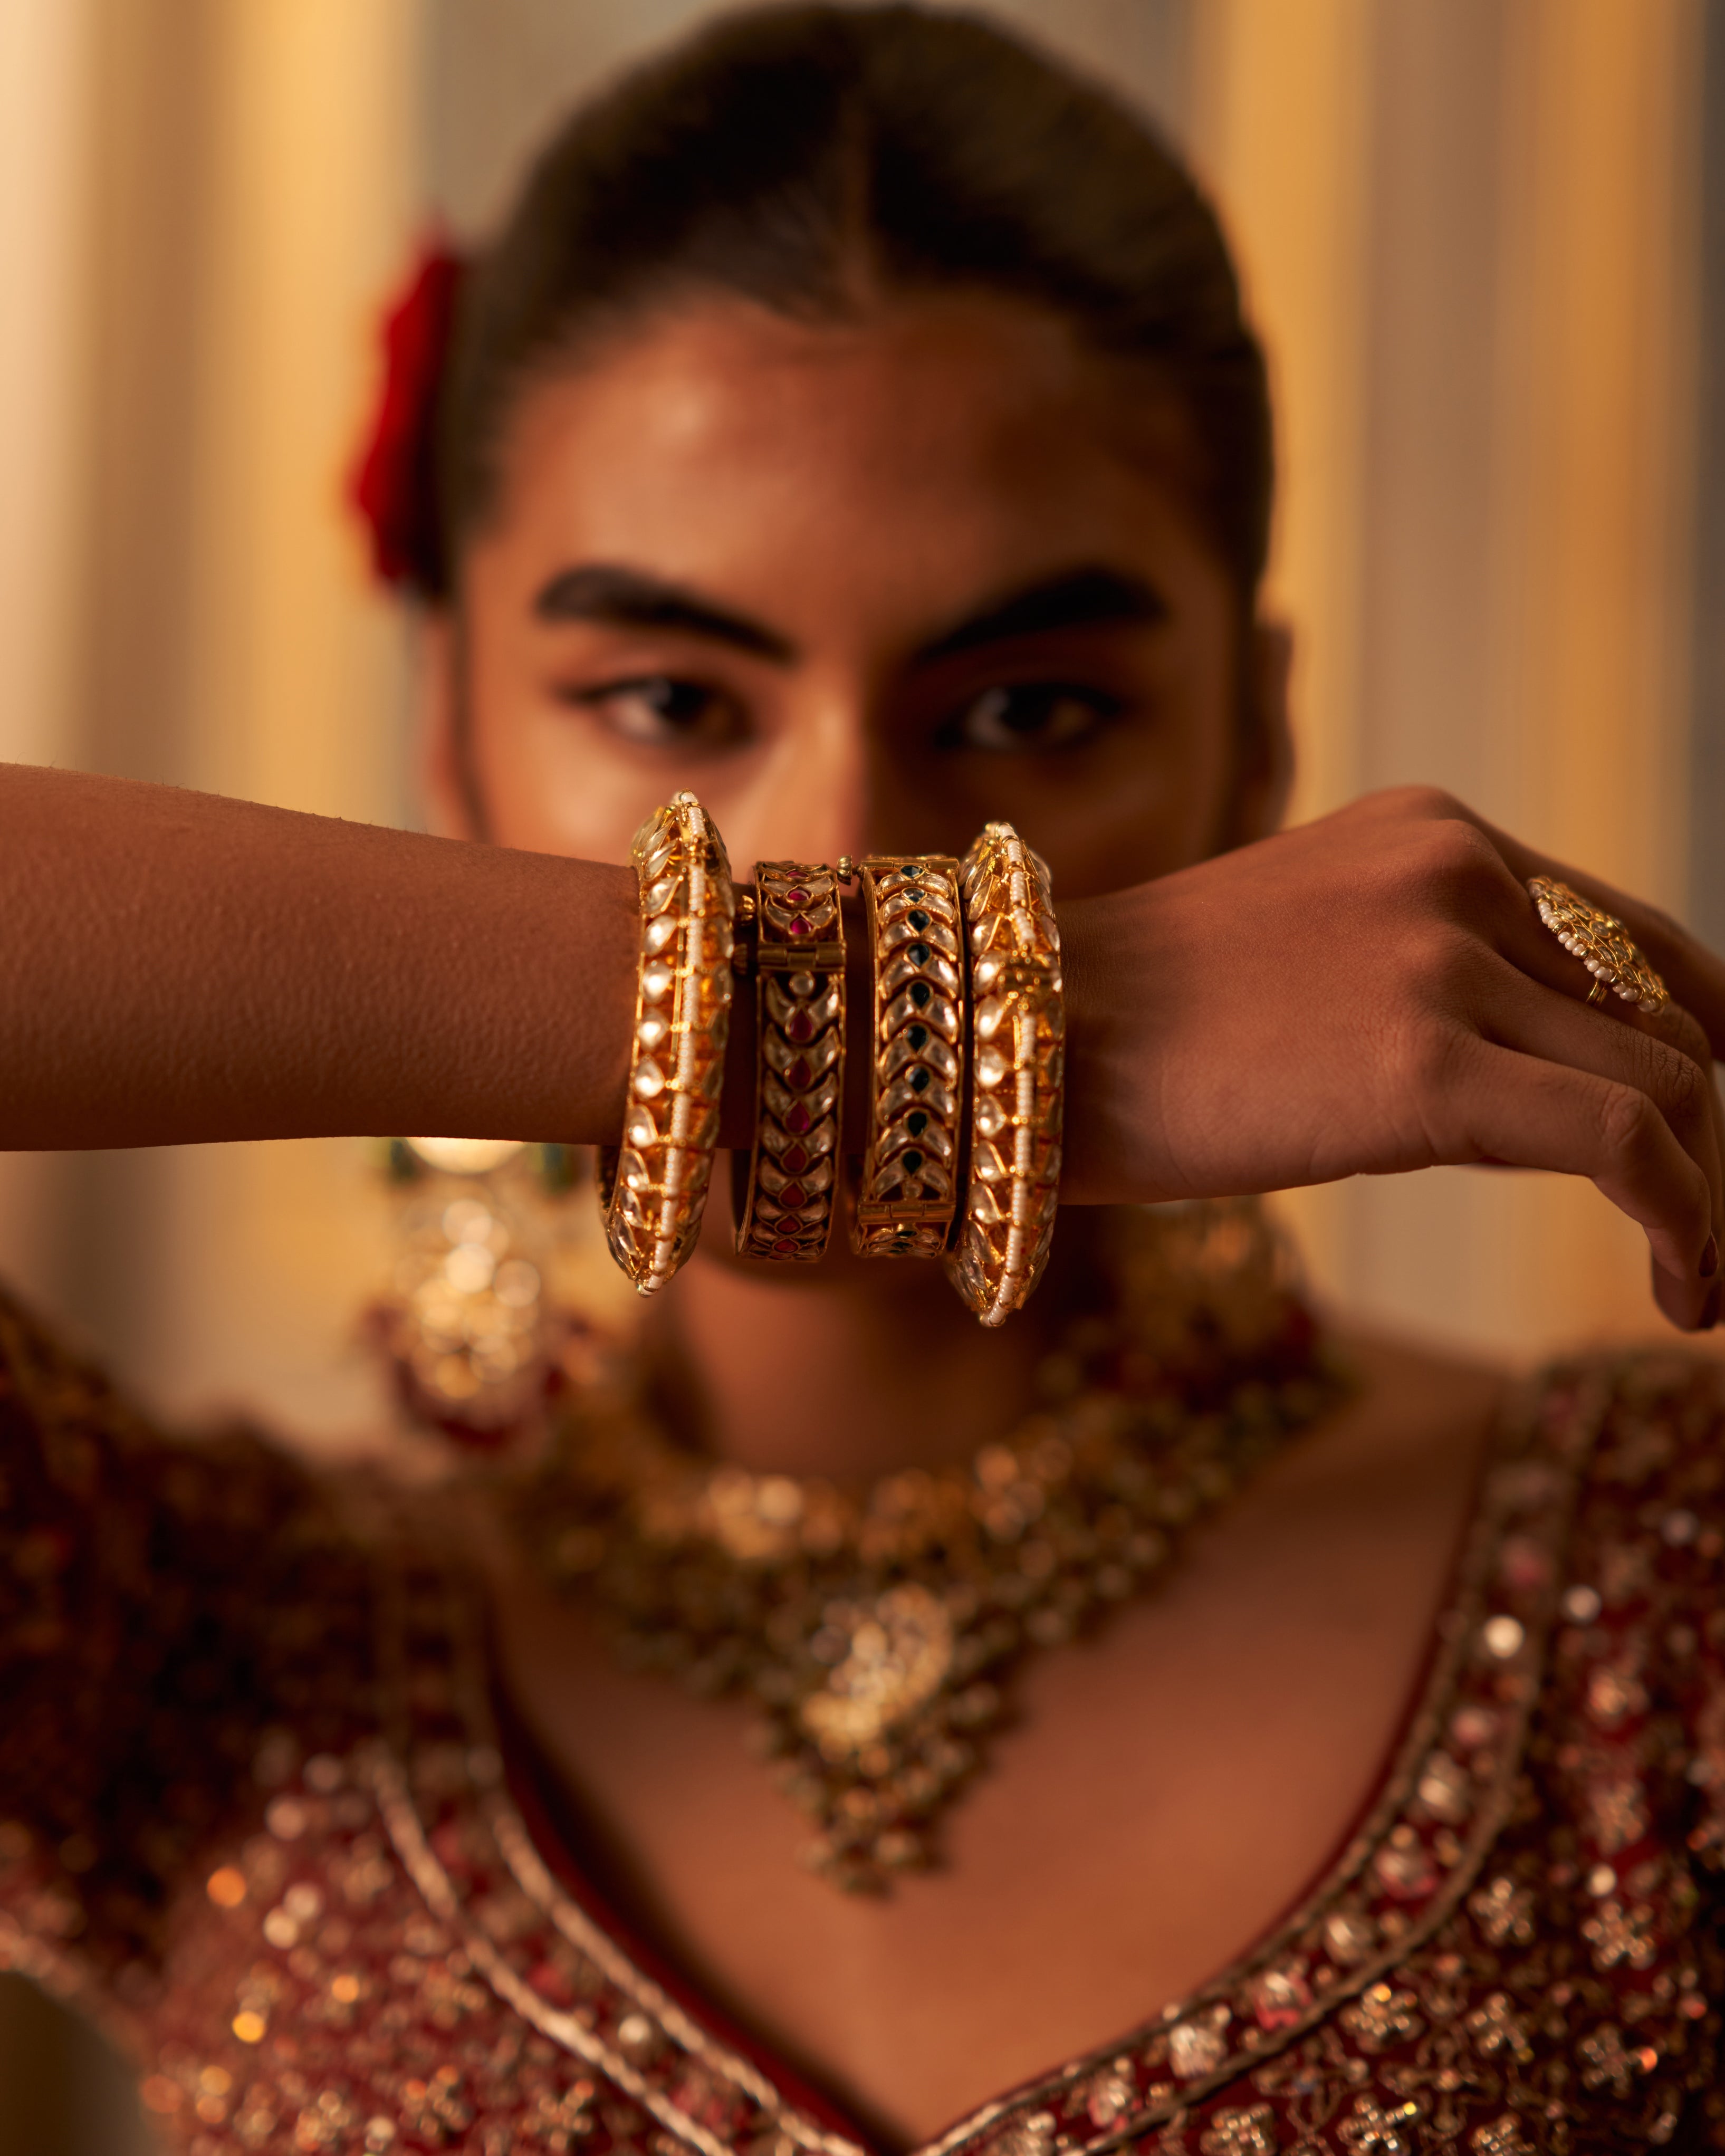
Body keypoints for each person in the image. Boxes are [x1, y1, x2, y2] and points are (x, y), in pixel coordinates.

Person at [0, 5, 1722, 2150]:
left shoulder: (1663, 1595)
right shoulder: (193, 1640)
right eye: (666, 698)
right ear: (447, 734)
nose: (835, 855)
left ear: (1259, 742)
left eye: (1022, 712)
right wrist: (973, 1015)